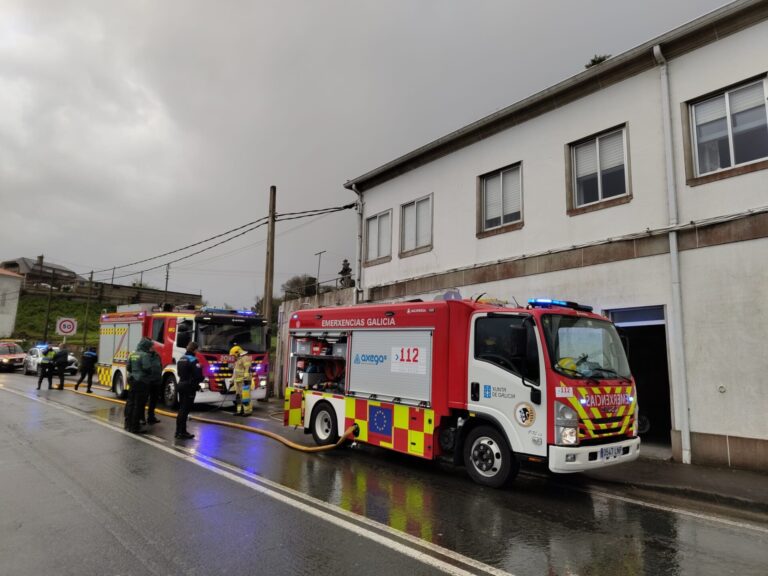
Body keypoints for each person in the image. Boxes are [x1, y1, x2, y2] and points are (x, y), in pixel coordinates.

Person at [124, 338, 155, 434]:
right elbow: (147, 368)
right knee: (139, 405)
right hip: (141, 381)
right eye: (149, 346)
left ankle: (128, 425)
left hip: (132, 380)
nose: (150, 348)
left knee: (131, 403)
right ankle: (135, 427)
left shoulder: (133, 354)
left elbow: (128, 367)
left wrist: (135, 372)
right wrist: (149, 372)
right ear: (146, 346)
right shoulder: (144, 355)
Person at [175, 342, 202, 439]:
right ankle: (181, 432)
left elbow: (179, 373)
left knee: (181, 409)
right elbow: (198, 376)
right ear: (195, 350)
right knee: (185, 410)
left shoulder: (181, 358)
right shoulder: (193, 360)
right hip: (189, 387)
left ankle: (179, 431)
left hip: (181, 384)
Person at [230, 345, 253, 416]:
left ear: (237, 353)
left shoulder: (245, 358)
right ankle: (239, 411)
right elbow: (235, 372)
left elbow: (247, 369)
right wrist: (232, 380)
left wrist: (246, 379)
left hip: (244, 381)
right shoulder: (238, 360)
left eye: (234, 355)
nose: (233, 357)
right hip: (238, 381)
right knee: (238, 397)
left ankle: (247, 411)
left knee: (245, 397)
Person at [144, 343, 163, 425]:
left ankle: (151, 417)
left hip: (156, 381)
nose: (152, 347)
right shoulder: (145, 355)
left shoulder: (157, 355)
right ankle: (141, 417)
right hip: (147, 381)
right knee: (144, 400)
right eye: (151, 346)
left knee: (154, 401)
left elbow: (160, 366)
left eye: (152, 346)